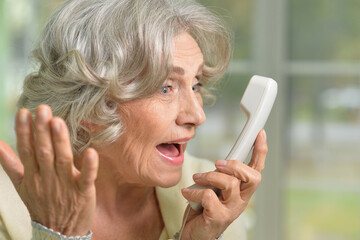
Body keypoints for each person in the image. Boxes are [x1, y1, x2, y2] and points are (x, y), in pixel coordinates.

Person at [0, 0, 268, 239]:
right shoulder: (6, 207)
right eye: (165, 87)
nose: (198, 116)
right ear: (88, 102)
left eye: (195, 85)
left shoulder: (213, 200)